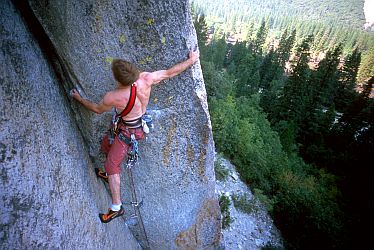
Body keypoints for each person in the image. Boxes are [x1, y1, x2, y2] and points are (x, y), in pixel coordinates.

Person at [70, 50, 199, 223]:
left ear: (117, 80)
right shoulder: (146, 79)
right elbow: (170, 72)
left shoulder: (113, 97)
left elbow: (96, 109)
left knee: (112, 164)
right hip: (133, 124)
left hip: (129, 132)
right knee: (106, 146)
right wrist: (191, 60)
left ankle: (116, 207)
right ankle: (109, 176)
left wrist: (78, 98)